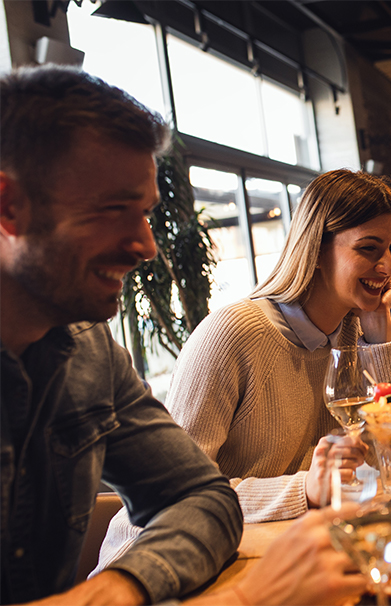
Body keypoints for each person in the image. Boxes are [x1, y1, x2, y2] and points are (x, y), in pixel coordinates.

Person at [0, 65, 243, 604]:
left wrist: (121, 585)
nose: (146, 246)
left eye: (146, 213)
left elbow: (201, 496)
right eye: (113, 210)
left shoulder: (88, 348)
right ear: (9, 207)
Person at [96, 169, 391, 570]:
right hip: (158, 571)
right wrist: (304, 488)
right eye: (369, 248)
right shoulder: (233, 334)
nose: (387, 266)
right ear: (316, 249)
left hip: (269, 556)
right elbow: (173, 500)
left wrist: (382, 337)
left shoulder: (355, 331)